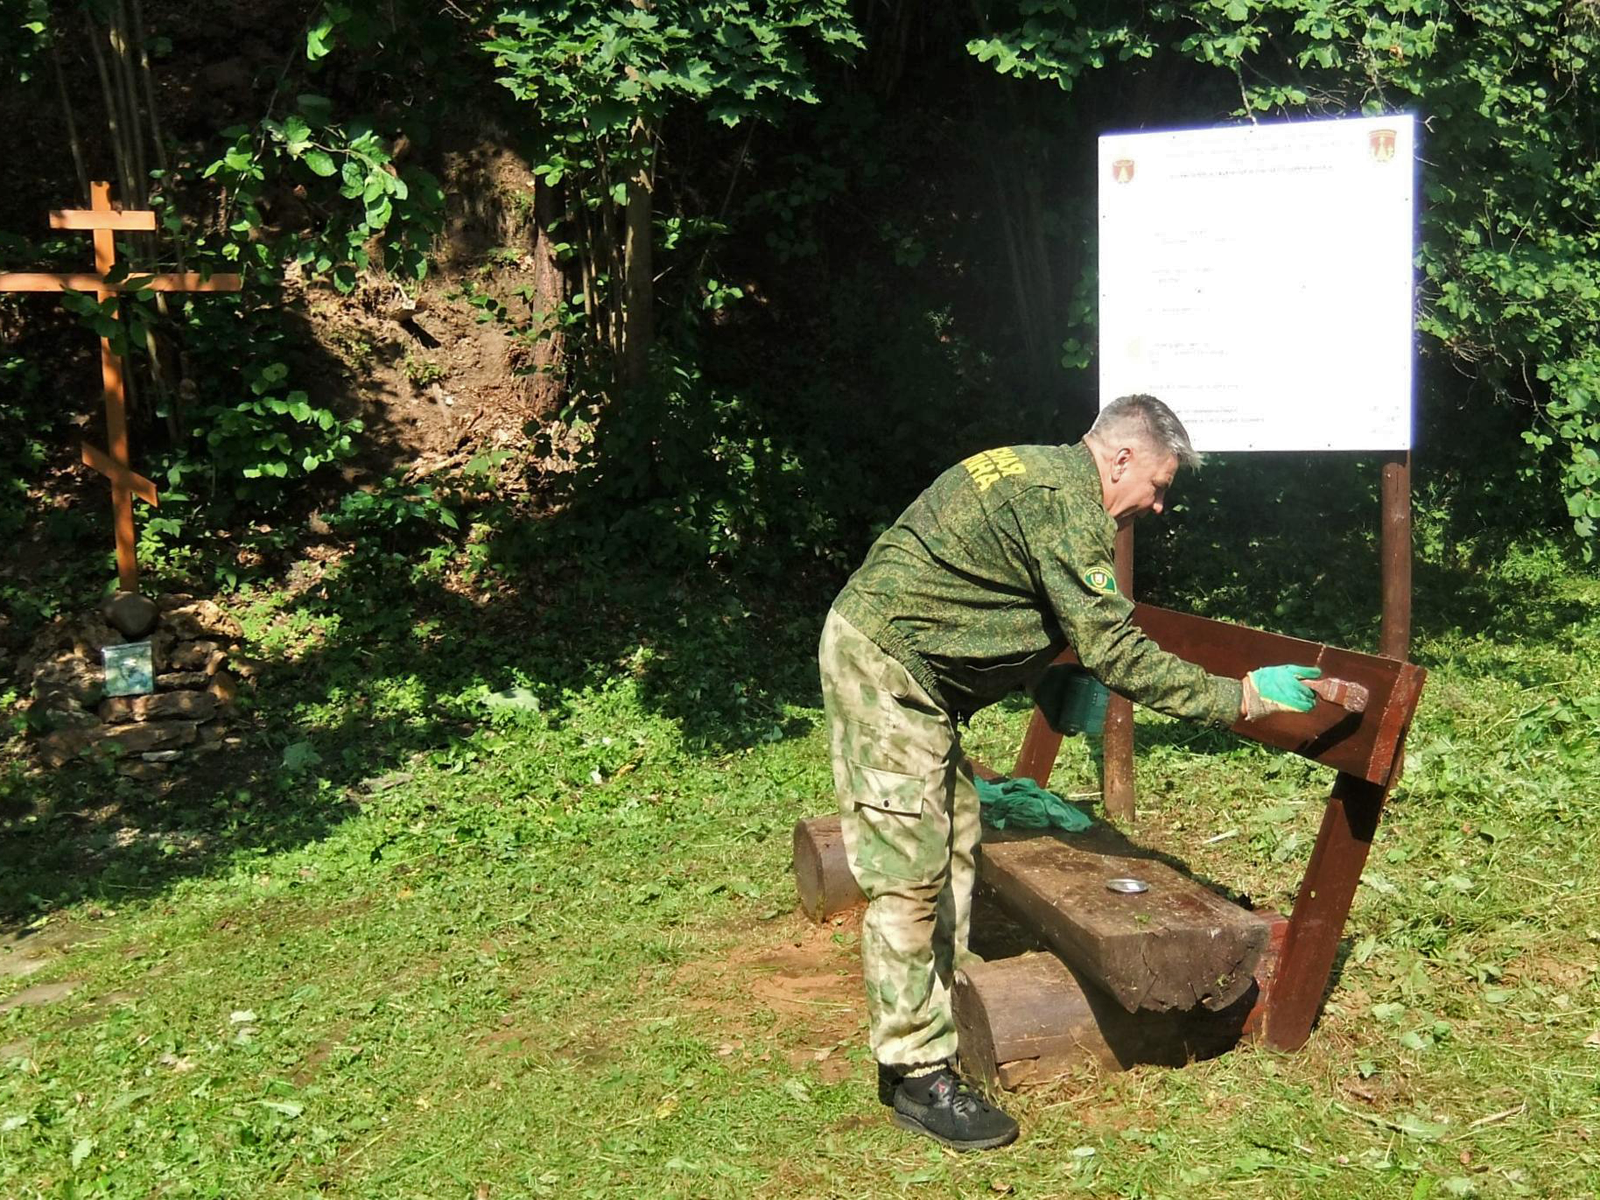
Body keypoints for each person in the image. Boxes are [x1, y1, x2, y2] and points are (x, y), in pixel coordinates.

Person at [818, 394, 1320, 1151]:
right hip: (889, 671)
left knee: (952, 848)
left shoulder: (1036, 471)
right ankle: (915, 1073)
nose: (1156, 504)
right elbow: (1115, 651)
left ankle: (936, 1021)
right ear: (1120, 457)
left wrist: (1051, 673)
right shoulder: (1067, 505)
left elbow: (993, 587)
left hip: (910, 671)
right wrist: (1239, 699)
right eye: (1157, 483)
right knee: (910, 871)